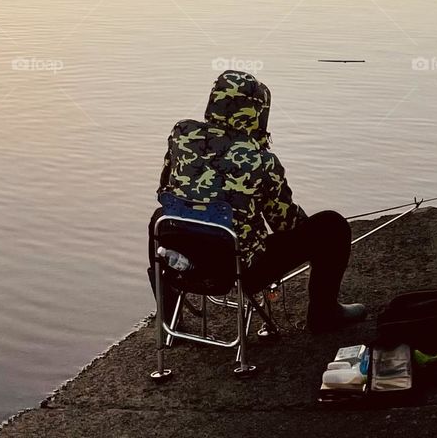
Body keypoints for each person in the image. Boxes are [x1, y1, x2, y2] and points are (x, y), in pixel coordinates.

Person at [150, 70, 365, 333]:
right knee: (332, 225)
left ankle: (168, 319)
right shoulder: (262, 161)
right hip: (240, 269)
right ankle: (324, 315)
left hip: (185, 262)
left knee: (160, 217)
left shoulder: (181, 134)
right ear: (256, 112)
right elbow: (285, 224)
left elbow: (165, 189)